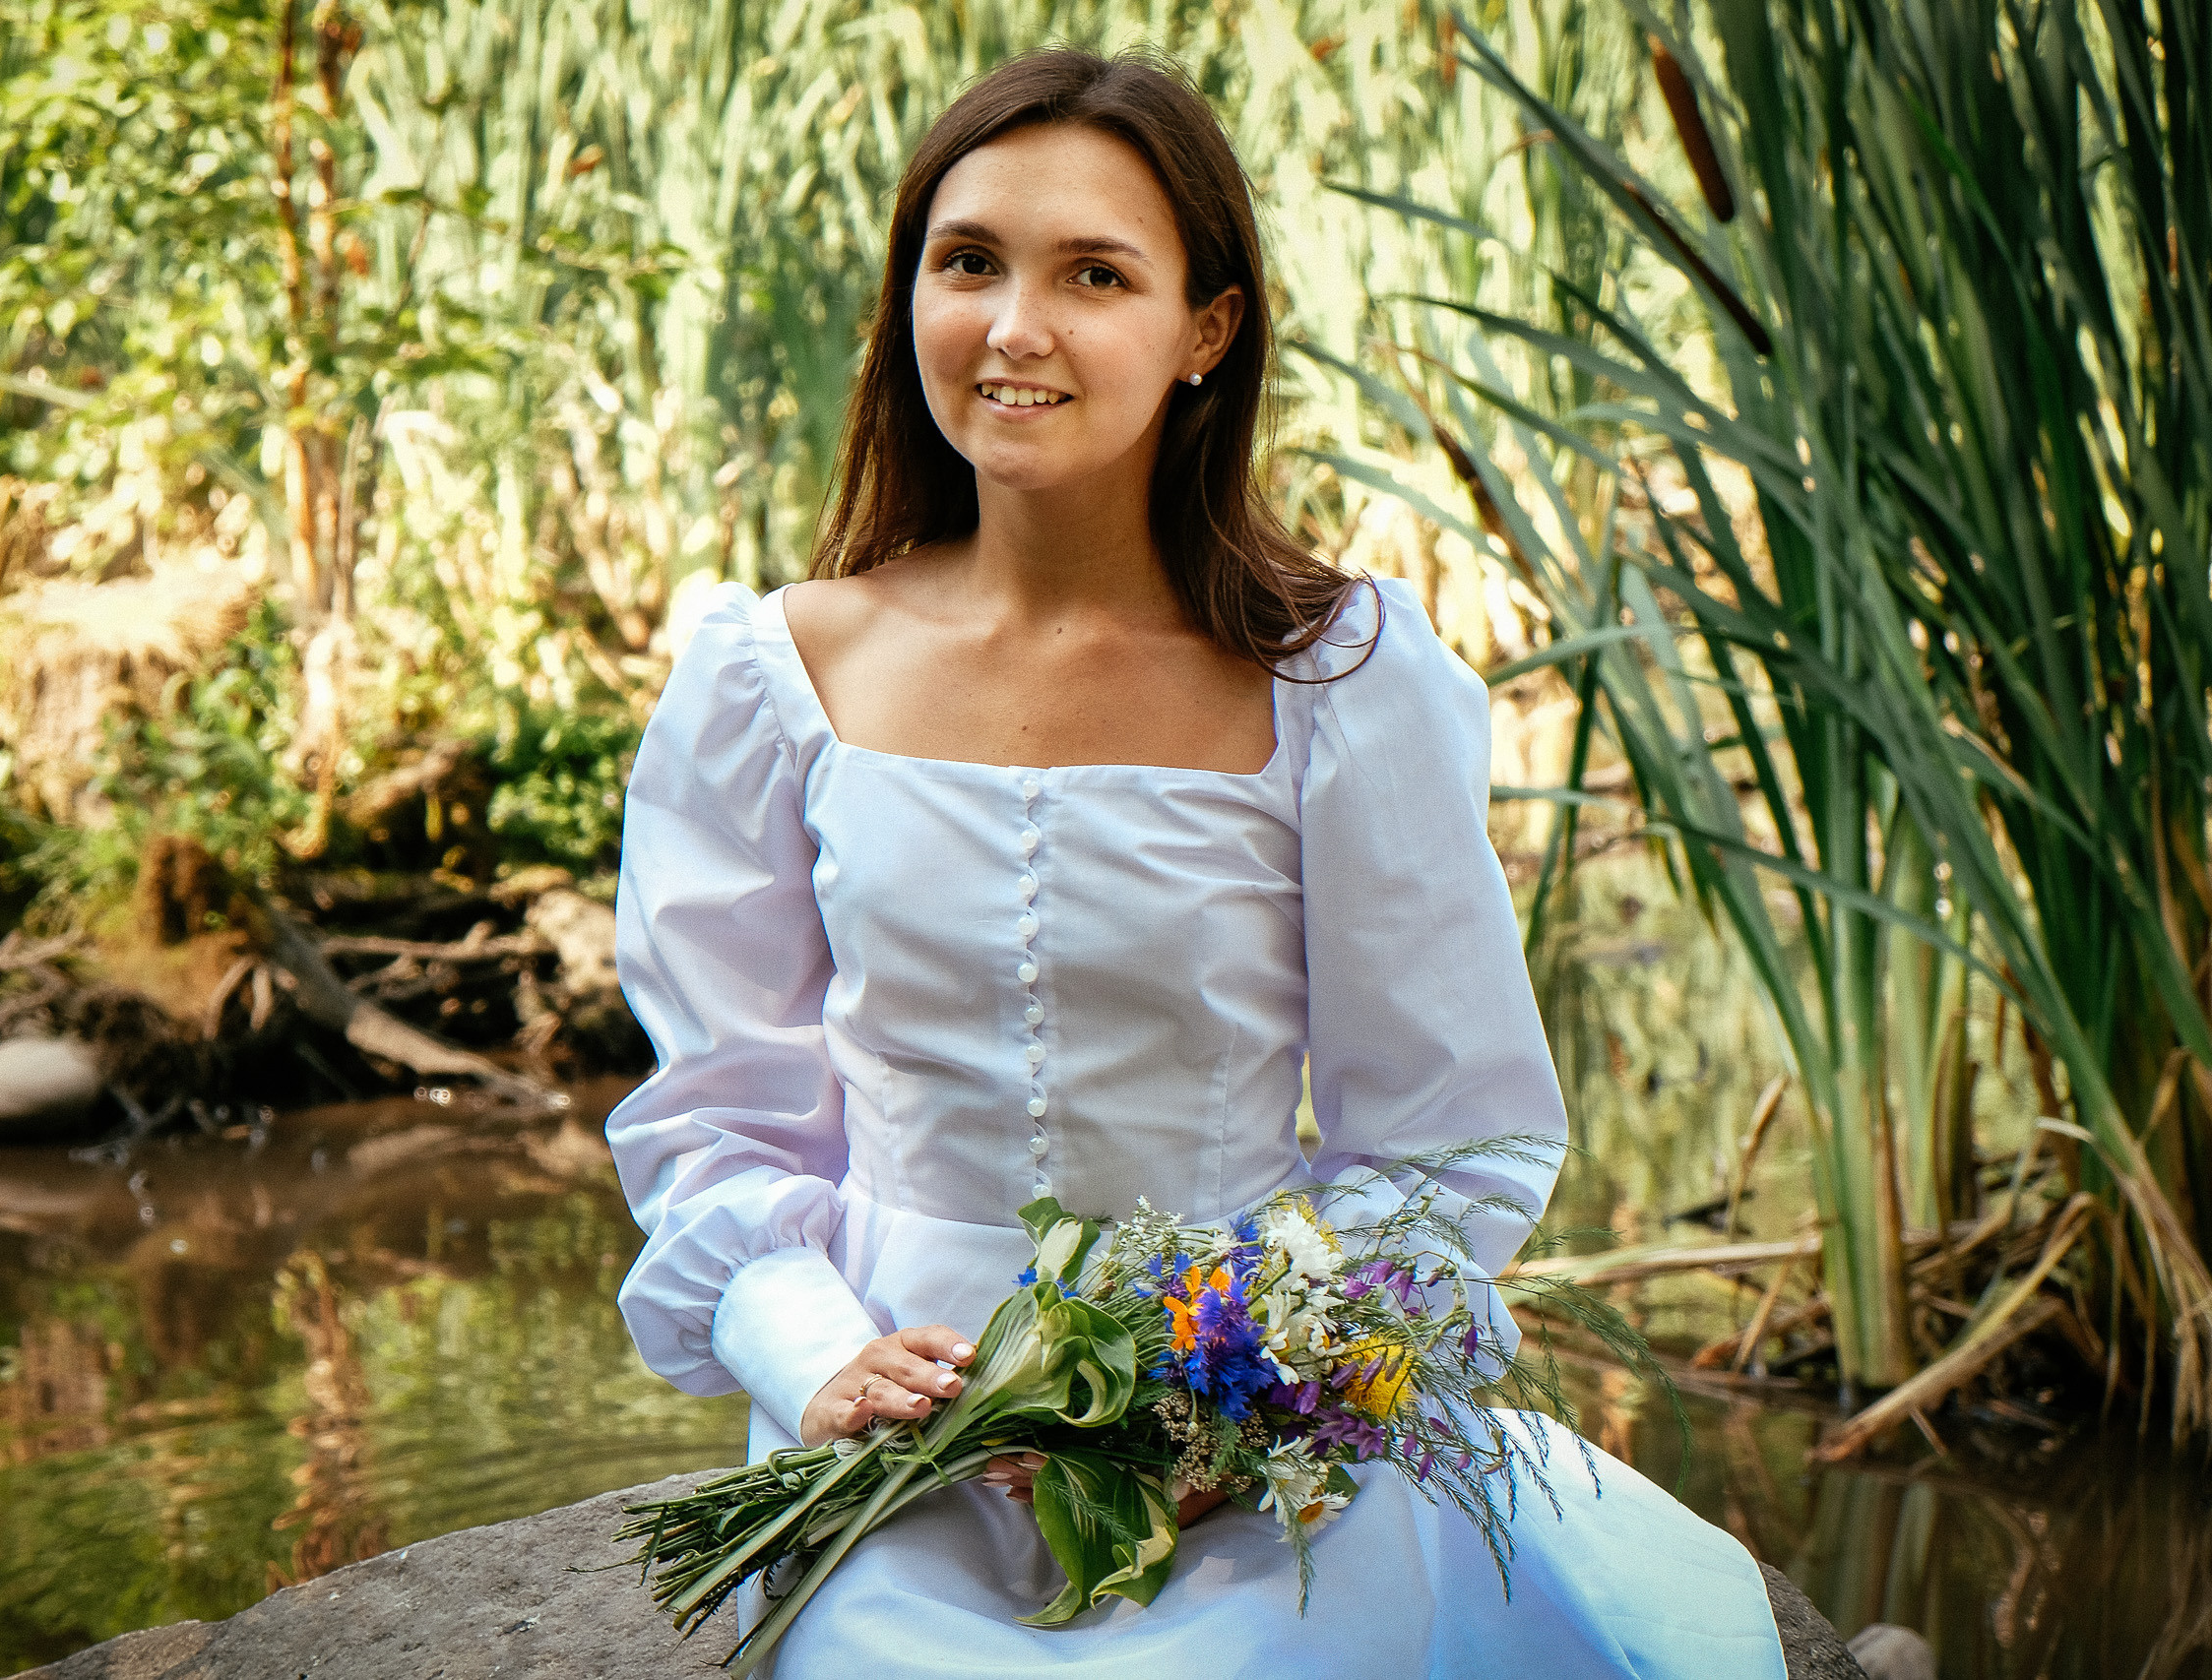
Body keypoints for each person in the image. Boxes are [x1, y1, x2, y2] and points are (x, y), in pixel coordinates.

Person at [605, 45, 1788, 1679]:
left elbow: (1453, 1137)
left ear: (1206, 330)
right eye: (970, 264)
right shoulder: (769, 677)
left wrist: (1261, 1386)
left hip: (1254, 1439)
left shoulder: (1337, 676)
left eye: (1096, 273)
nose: (1016, 328)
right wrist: (811, 1354)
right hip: (895, 1428)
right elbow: (715, 1113)